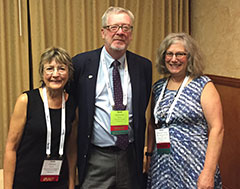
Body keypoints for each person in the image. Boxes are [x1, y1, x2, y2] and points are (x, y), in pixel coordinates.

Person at [71, 6, 152, 189]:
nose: (120, 33)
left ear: (131, 34)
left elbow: (142, 107)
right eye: (114, 27)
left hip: (129, 156)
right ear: (103, 32)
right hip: (95, 157)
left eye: (126, 28)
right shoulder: (81, 63)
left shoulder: (143, 66)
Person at [146, 33, 224, 189]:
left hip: (194, 165)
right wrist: (148, 155)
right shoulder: (159, 86)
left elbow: (217, 129)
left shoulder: (203, 85)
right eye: (169, 54)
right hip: (161, 164)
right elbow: (152, 124)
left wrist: (208, 172)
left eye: (180, 54)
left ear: (190, 57)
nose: (174, 59)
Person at [4, 47, 78, 189]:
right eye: (50, 68)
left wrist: (71, 184)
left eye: (61, 68)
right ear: (42, 73)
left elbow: (71, 150)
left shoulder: (72, 104)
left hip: (58, 182)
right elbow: (11, 148)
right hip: (25, 181)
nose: (55, 74)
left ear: (69, 73)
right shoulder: (26, 101)